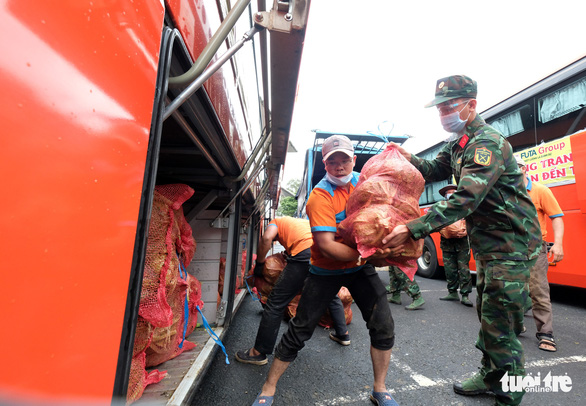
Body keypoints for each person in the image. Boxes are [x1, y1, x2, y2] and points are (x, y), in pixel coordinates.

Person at [378, 75, 541, 406]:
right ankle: (490, 375)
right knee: (487, 312)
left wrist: (413, 228)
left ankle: (510, 391)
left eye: (448, 107)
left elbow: (466, 198)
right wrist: (406, 157)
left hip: (510, 247)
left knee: (500, 323)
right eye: (439, 109)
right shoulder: (458, 143)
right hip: (489, 248)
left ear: (471, 105)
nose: (443, 115)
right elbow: (433, 169)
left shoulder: (487, 144)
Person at [252, 134, 401, 406]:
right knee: (301, 328)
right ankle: (268, 388)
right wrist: (371, 256)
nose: (340, 165)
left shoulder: (364, 184)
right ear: (325, 164)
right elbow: (327, 246)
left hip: (358, 267)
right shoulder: (319, 196)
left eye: (345, 159)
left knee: (383, 324)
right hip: (325, 269)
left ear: (354, 160)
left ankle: (380, 388)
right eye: (333, 161)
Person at [235, 217, 350, 366]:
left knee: (276, 302)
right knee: (331, 295)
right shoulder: (299, 223)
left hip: (305, 253)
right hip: (326, 253)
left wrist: (260, 263)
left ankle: (257, 353)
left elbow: (266, 238)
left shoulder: (276, 222)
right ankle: (343, 334)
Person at [516, 155, 564, 352]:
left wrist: (558, 243)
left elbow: (557, 217)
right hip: (511, 248)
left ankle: (546, 333)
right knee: (511, 290)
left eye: (516, 167)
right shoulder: (506, 192)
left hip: (535, 247)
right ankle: (515, 325)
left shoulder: (540, 190)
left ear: (524, 169)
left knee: (538, 290)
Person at [437, 184, 473, 307]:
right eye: (448, 192)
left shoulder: (464, 206)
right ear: (445, 196)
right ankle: (452, 292)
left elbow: (472, 221)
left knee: (464, 269)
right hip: (447, 244)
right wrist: (442, 230)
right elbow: (435, 223)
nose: (451, 194)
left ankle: (465, 295)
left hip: (462, 243)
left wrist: (466, 230)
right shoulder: (441, 207)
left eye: (453, 191)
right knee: (449, 270)